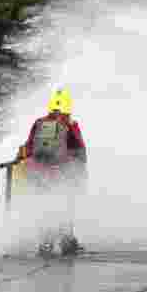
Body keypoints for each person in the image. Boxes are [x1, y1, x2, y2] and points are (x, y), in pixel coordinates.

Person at [22, 88, 87, 255]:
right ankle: (67, 243)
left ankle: (45, 244)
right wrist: (80, 175)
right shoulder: (70, 125)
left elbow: (29, 147)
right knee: (65, 207)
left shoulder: (39, 123)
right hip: (62, 174)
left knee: (44, 207)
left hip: (38, 174)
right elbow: (80, 150)